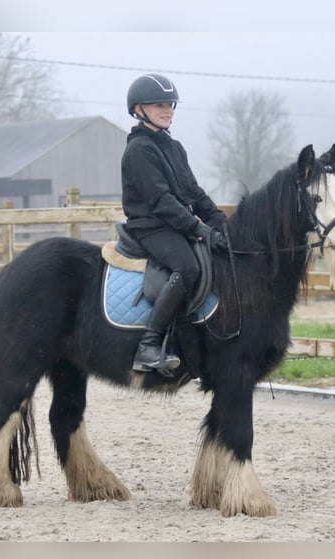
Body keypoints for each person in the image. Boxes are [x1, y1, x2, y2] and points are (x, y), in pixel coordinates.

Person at [121, 73, 228, 374]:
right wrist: (200, 229)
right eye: (158, 105)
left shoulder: (174, 147)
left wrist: (219, 221)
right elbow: (161, 201)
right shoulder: (139, 150)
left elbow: (193, 193)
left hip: (173, 224)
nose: (167, 110)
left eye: (170, 104)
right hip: (150, 226)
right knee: (188, 266)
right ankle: (149, 345)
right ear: (139, 109)